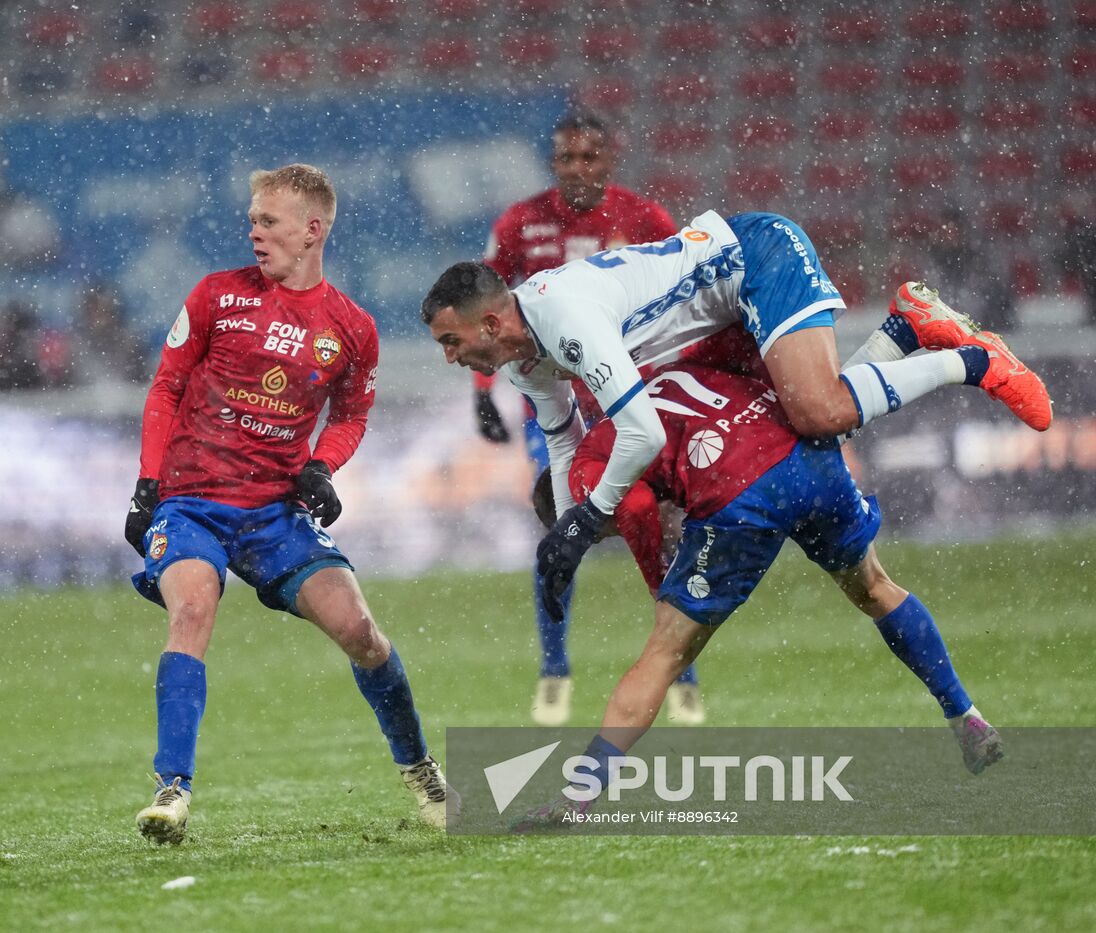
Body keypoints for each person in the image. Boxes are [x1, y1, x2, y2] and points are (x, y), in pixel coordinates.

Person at [422, 211, 1053, 632]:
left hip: (752, 260)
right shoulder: (523, 358)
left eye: (451, 340)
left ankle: (969, 360)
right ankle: (906, 327)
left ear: (490, 323)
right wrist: (566, 537)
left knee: (819, 411)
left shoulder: (564, 319)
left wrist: (585, 522)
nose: (451, 358)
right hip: (713, 322)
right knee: (799, 436)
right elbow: (564, 444)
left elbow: (640, 432)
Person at [514, 361, 1004, 826]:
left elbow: (638, 507)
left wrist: (657, 586)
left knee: (662, 654)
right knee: (875, 587)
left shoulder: (583, 480)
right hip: (805, 453)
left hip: (740, 488)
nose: (610, 536)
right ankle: (966, 716)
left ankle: (578, 796)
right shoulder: (647, 382)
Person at [125, 164, 453, 844]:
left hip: (275, 514)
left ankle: (421, 770)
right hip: (192, 504)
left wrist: (321, 467)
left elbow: (352, 415)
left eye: (268, 221)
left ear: (312, 230)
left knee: (361, 632)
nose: (254, 232)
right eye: (252, 220)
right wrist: (147, 486)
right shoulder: (216, 297)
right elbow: (164, 390)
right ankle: (172, 789)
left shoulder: (353, 328)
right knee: (191, 609)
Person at [474, 111, 692, 727]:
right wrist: (481, 389)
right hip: (554, 403)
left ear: (609, 160)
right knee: (558, 521)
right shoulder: (519, 223)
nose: (576, 170)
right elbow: (481, 309)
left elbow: (675, 299)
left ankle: (682, 665)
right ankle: (554, 670)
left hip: (626, 393)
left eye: (588, 158)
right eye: (565, 158)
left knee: (664, 524)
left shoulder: (645, 220)